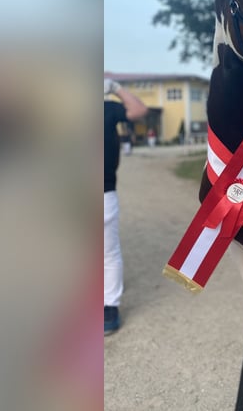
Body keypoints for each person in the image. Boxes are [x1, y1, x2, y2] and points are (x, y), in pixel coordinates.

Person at [104, 78, 148, 335]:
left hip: (101, 189)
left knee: (108, 252)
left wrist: (114, 88)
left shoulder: (106, 108)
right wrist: (115, 87)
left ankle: (109, 305)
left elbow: (138, 111)